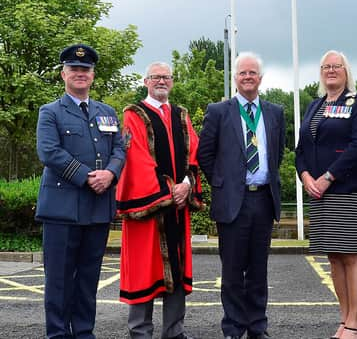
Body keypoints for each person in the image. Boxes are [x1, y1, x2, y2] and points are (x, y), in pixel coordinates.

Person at [35, 44, 125, 339]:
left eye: (85, 70)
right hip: (61, 209)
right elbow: (49, 152)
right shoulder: (50, 112)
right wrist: (88, 176)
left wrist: (111, 173)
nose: (80, 74)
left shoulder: (107, 113)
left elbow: (120, 149)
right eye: (74, 69)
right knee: (59, 280)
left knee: (88, 278)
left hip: (97, 208)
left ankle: (84, 332)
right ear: (63, 74)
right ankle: (59, 335)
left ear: (93, 75)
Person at [197, 53, 285, 339]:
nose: (248, 77)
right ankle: (233, 328)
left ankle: (257, 326)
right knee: (233, 271)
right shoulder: (219, 111)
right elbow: (205, 155)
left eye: (253, 73)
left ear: (260, 78)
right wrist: (222, 184)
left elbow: (278, 152)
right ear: (235, 78)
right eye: (242, 73)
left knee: (259, 271)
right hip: (233, 202)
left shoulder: (275, 112)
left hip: (263, 200)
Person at [116, 61, 204, 339]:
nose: (161, 81)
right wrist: (169, 192)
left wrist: (187, 185)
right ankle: (140, 331)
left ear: (172, 82)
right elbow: (136, 158)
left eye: (166, 77)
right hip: (148, 209)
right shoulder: (134, 114)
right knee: (144, 269)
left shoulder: (181, 115)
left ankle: (174, 332)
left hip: (177, 209)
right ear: (146, 81)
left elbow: (195, 152)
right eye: (155, 77)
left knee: (176, 269)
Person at [295, 50, 357, 339]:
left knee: (352, 256)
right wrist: (305, 176)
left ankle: (355, 322)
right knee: (334, 257)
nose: (331, 70)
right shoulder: (313, 106)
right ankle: (344, 319)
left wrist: (328, 177)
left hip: (348, 190)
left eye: (336, 66)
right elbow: (301, 149)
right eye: (325, 67)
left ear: (346, 71)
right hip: (319, 193)